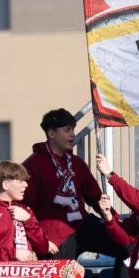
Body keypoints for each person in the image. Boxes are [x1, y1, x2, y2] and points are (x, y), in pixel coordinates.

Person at [22, 109, 109, 259]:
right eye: (67, 130)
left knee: (125, 242)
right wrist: (38, 238)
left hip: (81, 224)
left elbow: (95, 196)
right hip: (53, 235)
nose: (73, 134)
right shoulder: (33, 164)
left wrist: (112, 218)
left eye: (73, 129)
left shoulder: (76, 163)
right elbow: (26, 206)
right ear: (51, 133)